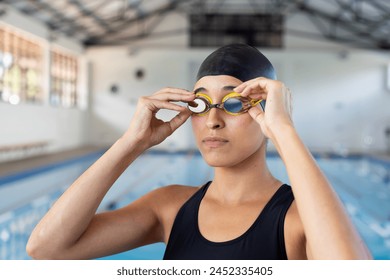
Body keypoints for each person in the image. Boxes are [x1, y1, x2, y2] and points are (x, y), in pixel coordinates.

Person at [26, 44, 371, 260]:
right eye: (202, 104)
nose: (213, 121)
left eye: (234, 103)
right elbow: (46, 249)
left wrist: (284, 132)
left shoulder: (296, 220)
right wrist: (131, 142)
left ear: (267, 111)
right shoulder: (169, 207)